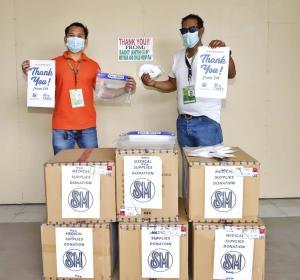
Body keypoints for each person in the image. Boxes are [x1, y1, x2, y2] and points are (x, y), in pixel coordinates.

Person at [22, 22, 136, 154]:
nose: (75, 39)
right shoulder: (52, 64)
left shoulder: (94, 66)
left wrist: (125, 89)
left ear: (85, 41)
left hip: (88, 126)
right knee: (62, 168)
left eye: (80, 36)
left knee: (92, 167)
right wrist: (30, 73)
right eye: (71, 35)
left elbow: (103, 92)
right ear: (65, 39)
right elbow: (40, 86)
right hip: (61, 126)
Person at [141, 14, 236, 147]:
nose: (187, 33)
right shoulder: (177, 56)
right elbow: (173, 83)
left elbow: (231, 74)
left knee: (205, 166)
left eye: (192, 29)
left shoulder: (213, 52)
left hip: (207, 121)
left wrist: (226, 53)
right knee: (188, 167)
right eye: (184, 30)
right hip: (183, 121)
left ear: (201, 31)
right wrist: (154, 83)